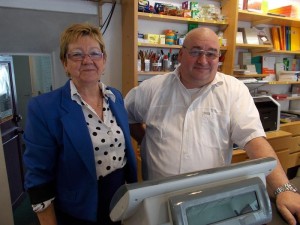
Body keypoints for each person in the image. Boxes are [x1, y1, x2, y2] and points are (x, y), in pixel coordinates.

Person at [125, 27, 300, 225]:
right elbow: (126, 116)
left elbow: (253, 139)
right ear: (181, 55)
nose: (203, 60)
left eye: (211, 54)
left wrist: (283, 189)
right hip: (157, 201)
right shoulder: (152, 88)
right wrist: (145, 140)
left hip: (210, 202)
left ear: (219, 58)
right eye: (195, 51)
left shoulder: (233, 90)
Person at [23, 23, 137, 225]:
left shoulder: (115, 97)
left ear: (104, 60)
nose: (87, 61)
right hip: (79, 209)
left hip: (121, 199)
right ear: (64, 63)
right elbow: (38, 177)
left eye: (95, 53)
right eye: (76, 54)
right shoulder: (44, 108)